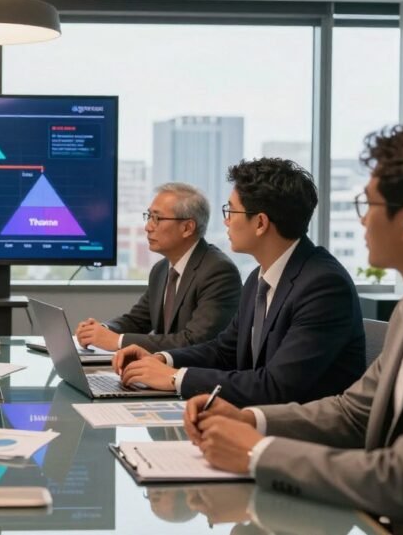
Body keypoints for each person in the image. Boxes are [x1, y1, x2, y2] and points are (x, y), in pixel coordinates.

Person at [186, 124, 403, 533]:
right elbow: (354, 413)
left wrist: (258, 453)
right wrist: (251, 419)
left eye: (367, 204)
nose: (362, 222)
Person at [113, 158, 365, 407]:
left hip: (301, 436)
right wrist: (162, 359)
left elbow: (276, 386)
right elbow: (225, 350)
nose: (226, 221)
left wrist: (175, 378)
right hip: (257, 420)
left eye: (231, 211)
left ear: (260, 223)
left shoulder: (323, 286)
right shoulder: (259, 277)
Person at [76, 183, 241, 352]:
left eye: (157, 218)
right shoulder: (161, 269)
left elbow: (195, 341)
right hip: (160, 371)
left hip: (197, 375)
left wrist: (118, 341)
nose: (148, 227)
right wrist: (102, 330)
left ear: (187, 228)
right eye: (149, 216)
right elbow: (137, 321)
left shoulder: (218, 271)